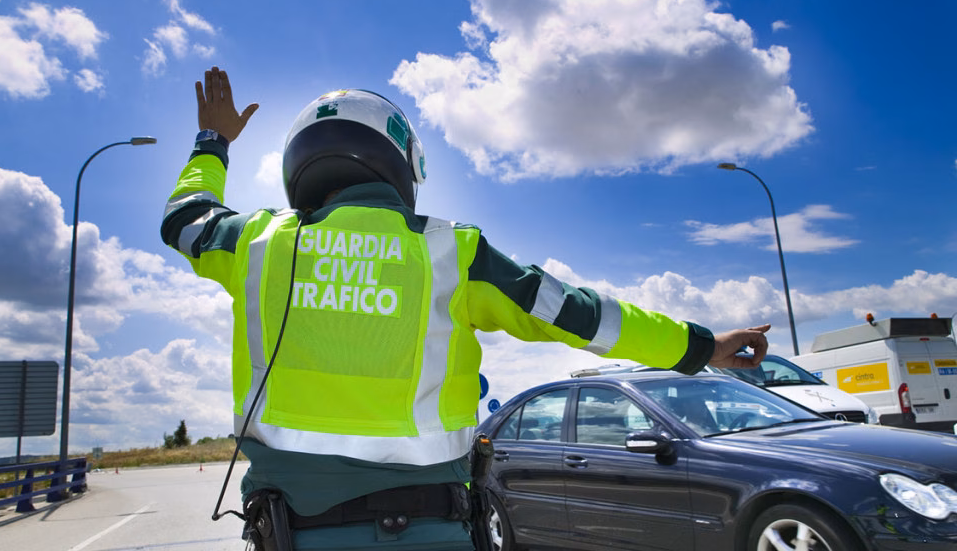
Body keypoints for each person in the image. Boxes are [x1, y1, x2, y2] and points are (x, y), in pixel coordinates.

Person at [161, 66, 770, 550]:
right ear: (402, 165)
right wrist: (700, 346)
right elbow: (582, 316)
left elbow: (185, 219)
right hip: (430, 528)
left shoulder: (257, 244)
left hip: (292, 530)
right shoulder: (454, 253)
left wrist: (212, 141)